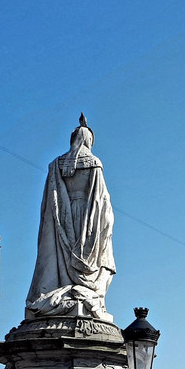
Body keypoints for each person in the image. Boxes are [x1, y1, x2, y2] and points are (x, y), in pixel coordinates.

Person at [27, 114, 117, 320]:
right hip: (87, 216)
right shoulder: (94, 163)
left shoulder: (56, 165)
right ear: (89, 141)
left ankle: (61, 288)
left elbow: (50, 199)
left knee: (61, 257)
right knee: (90, 258)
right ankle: (83, 292)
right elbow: (100, 201)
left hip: (62, 216)